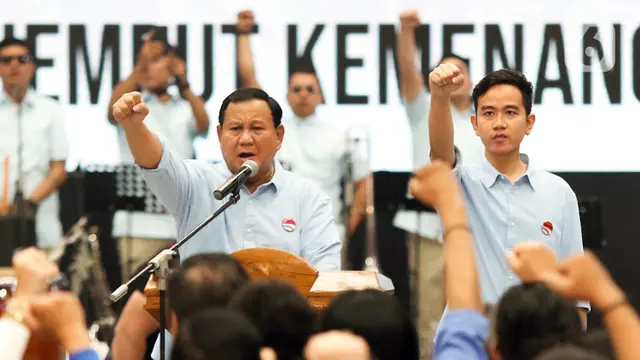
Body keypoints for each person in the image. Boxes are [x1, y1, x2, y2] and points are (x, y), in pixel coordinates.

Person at [427, 64, 589, 327]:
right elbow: (440, 154)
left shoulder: (558, 192)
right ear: (475, 124)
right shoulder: (460, 183)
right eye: (488, 113)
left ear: (529, 122)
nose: (499, 123)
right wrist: (439, 97)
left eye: (510, 112)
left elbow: (576, 293)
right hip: (470, 338)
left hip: (538, 340)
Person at [111, 87, 341, 270]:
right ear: (220, 136)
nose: (245, 139)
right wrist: (134, 127)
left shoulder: (309, 198)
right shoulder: (195, 183)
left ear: (279, 136)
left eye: (257, 128)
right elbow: (157, 162)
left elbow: (325, 273)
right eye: (235, 129)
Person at [393, 9, 485, 353]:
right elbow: (406, 69)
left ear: (473, 78)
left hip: (480, 225)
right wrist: (405, 31)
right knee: (431, 313)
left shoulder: (485, 119)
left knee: (479, 306)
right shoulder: (423, 110)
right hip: (430, 227)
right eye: (443, 70)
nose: (451, 77)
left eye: (458, 70)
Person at [235, 10, 369, 240]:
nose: (303, 95)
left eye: (310, 89)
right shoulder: (273, 131)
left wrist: (350, 228)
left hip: (325, 228)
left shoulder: (340, 136)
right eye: (296, 89)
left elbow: (363, 181)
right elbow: (249, 80)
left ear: (321, 96)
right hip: (274, 228)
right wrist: (243, 34)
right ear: (286, 96)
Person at [0, 37, 68, 250]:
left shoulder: (50, 109)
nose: (14, 65)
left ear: (32, 67)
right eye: (6, 60)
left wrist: (29, 203)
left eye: (22, 59)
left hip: (41, 222)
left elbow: (58, 169)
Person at [107, 29, 210, 162]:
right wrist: (139, 67)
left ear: (172, 67)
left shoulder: (185, 107)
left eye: (154, 60)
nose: (147, 68)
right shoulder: (131, 105)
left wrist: (183, 83)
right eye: (144, 62)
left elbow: (204, 127)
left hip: (178, 182)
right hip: (137, 181)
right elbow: (112, 114)